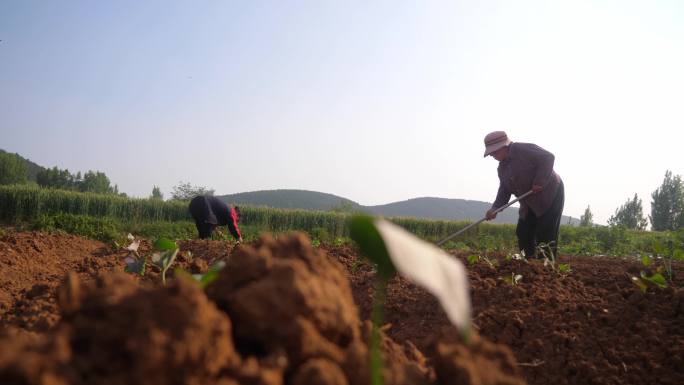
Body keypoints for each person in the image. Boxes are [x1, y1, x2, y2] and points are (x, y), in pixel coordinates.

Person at [483, 131, 564, 259]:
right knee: (523, 231)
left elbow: (548, 158)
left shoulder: (523, 149)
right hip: (528, 201)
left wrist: (539, 181)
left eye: (494, 152)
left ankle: (546, 266)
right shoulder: (502, 169)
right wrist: (495, 208)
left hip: (549, 194)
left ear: (503, 147)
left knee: (545, 231)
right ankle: (529, 262)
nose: (492, 155)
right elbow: (504, 190)